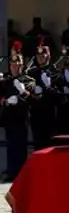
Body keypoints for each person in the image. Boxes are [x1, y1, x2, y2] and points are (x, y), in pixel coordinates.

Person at [0, 42, 35, 183]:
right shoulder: (6, 81)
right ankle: (11, 171)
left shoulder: (28, 80)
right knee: (10, 146)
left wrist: (22, 94)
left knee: (20, 146)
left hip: (21, 117)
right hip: (9, 117)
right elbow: (1, 95)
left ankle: (20, 172)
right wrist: (5, 101)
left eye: (18, 65)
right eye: (13, 65)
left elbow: (30, 96)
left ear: (22, 66)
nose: (16, 67)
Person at [27, 38, 59, 150]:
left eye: (43, 55)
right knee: (38, 145)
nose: (40, 57)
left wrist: (48, 87)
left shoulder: (55, 72)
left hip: (50, 115)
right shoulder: (32, 73)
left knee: (49, 146)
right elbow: (27, 94)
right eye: (38, 55)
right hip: (36, 115)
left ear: (48, 56)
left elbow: (59, 97)